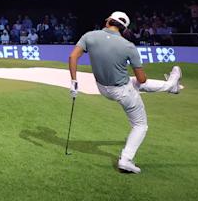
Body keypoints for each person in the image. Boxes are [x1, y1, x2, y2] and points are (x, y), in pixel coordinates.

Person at [68, 11, 183, 174]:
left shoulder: (89, 36)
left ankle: (171, 86)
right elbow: (142, 79)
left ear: (108, 20)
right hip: (122, 91)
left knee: (133, 82)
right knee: (140, 125)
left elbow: (73, 57)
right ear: (124, 28)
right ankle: (126, 160)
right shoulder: (128, 46)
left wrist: (74, 82)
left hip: (103, 88)